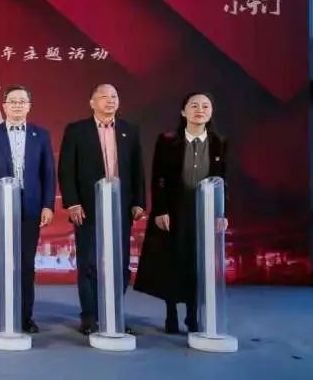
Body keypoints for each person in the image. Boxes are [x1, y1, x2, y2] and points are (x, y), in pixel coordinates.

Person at [135, 92, 228, 334]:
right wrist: (160, 209)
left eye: (205, 106)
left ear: (211, 112)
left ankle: (192, 315)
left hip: (204, 210)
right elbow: (158, 178)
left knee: (197, 263)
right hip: (173, 210)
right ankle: (171, 314)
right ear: (183, 111)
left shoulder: (219, 142)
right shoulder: (167, 141)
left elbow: (222, 180)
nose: (200, 110)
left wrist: (221, 212)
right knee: (171, 261)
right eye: (194, 105)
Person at [58, 83, 146, 335]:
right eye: (104, 96)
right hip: (87, 208)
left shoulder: (129, 130)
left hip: (120, 208)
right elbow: (66, 169)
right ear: (92, 102)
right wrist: (72, 202)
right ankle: (89, 316)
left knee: (120, 264)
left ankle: (113, 313)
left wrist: (139, 202)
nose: (110, 100)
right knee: (89, 263)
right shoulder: (77, 130)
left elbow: (137, 169)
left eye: (114, 96)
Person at [0, 85, 55, 334]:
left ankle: (25, 315)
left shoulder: (41, 135)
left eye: (22, 101)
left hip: (30, 208)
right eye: (13, 101)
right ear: (4, 106)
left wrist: (47, 205)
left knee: (26, 263)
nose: (17, 105)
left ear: (29, 106)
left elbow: (48, 173)